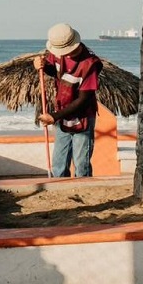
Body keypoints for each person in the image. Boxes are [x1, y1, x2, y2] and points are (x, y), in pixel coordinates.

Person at [33, 23, 102, 177]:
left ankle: (83, 190)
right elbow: (56, 72)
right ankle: (60, 191)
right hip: (62, 113)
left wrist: (54, 116)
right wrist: (42, 66)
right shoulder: (57, 54)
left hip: (83, 116)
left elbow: (84, 99)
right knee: (59, 162)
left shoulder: (90, 64)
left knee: (81, 163)